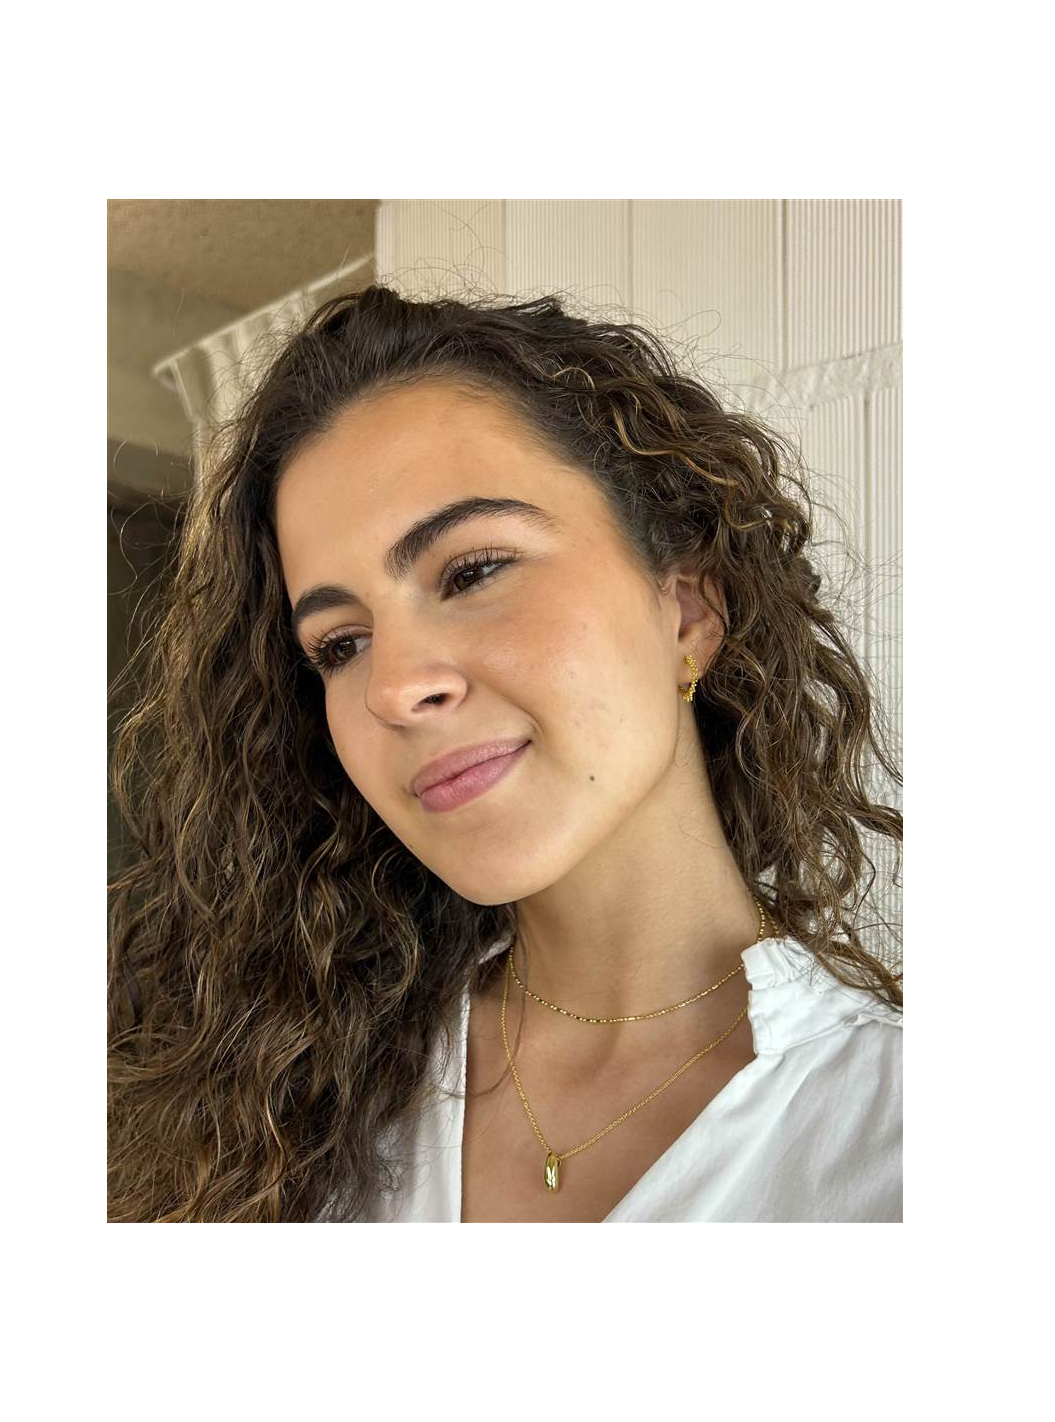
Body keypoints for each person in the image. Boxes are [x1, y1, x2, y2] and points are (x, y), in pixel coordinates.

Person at [108, 284, 902, 1224]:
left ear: (688, 611)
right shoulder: (281, 1110)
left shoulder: (894, 1140)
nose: (394, 687)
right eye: (340, 645)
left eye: (473, 571)